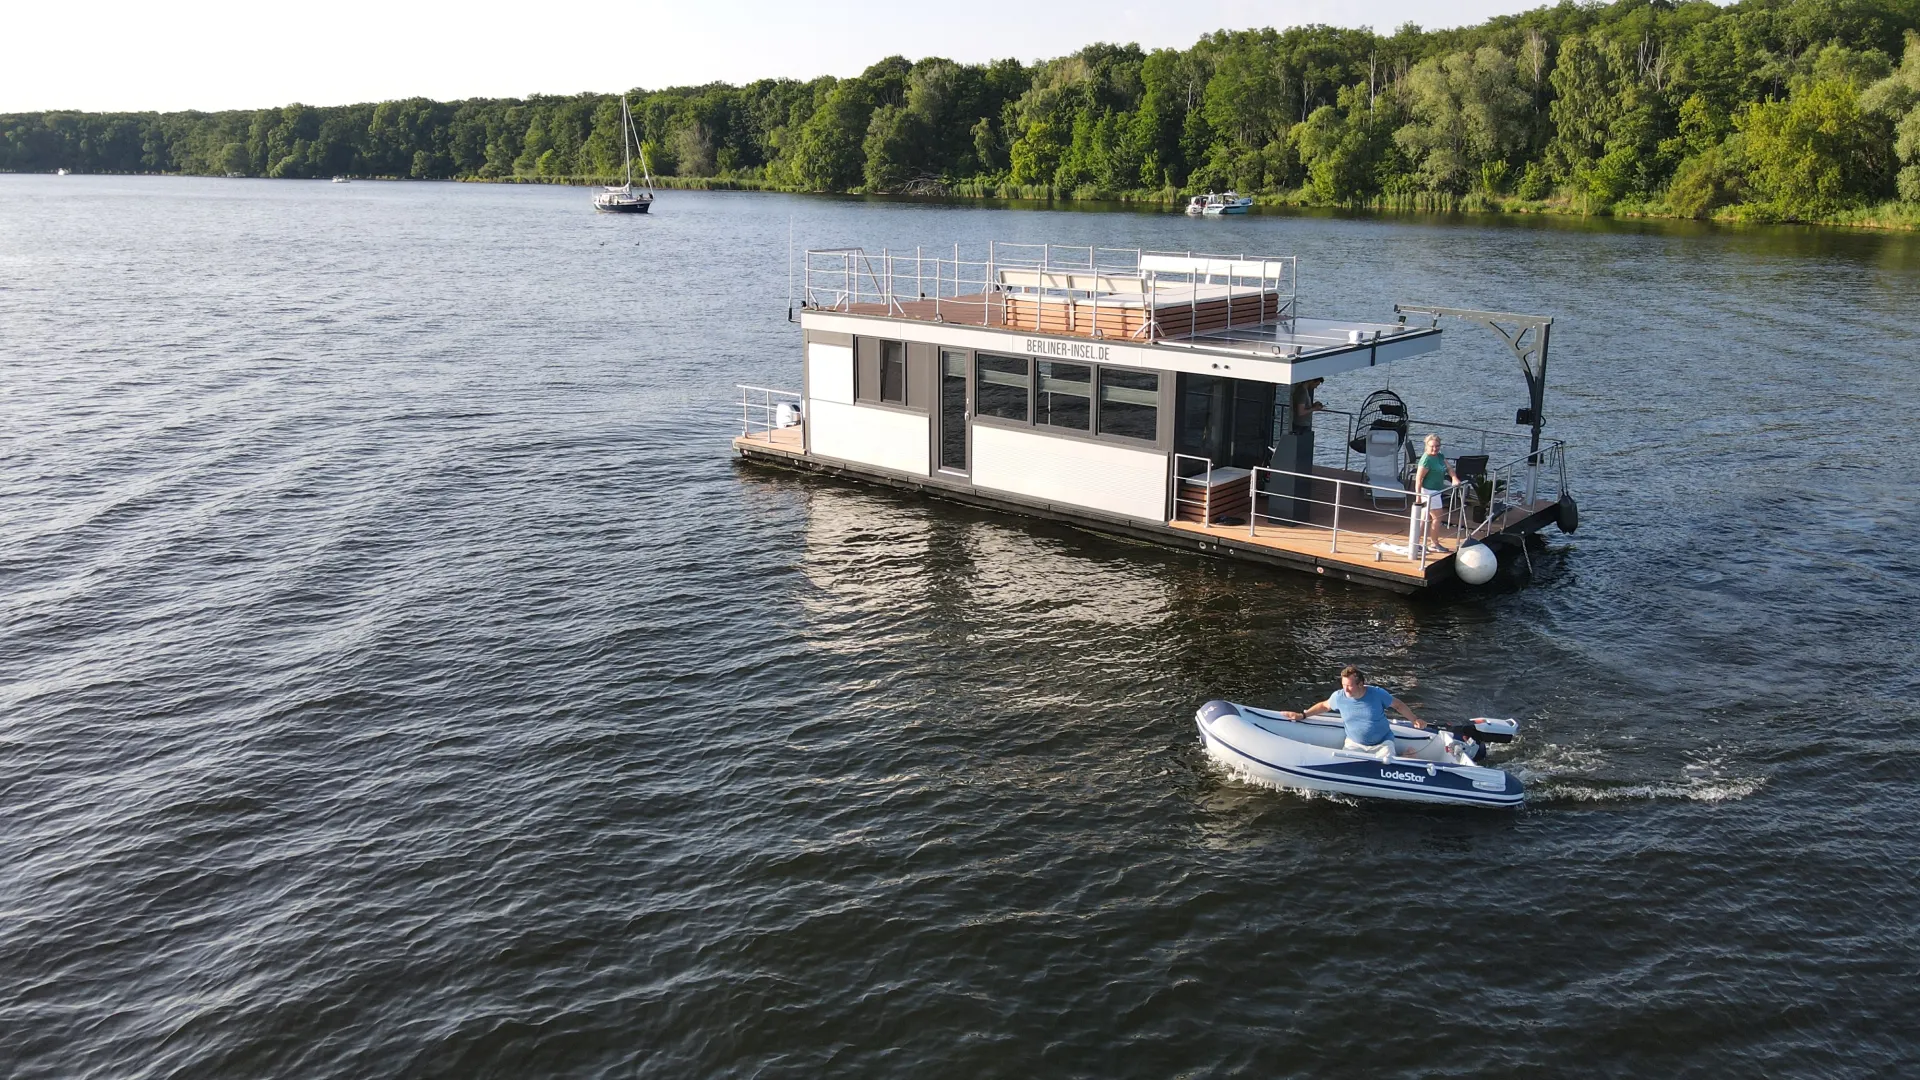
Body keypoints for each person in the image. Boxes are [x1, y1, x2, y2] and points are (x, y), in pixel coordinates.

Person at [1280, 665, 1428, 759]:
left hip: (1382, 742)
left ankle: (1405, 756)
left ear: (1361, 684)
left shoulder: (1377, 694)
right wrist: (1303, 715)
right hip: (1354, 744)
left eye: (1349, 686)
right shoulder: (1339, 696)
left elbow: (1398, 705)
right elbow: (1324, 706)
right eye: (1343, 685)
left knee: (1388, 765)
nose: (1346, 689)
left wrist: (1414, 719)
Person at [1413, 433, 1458, 554]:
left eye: (1437, 446)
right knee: (1437, 517)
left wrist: (1454, 478)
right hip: (1429, 491)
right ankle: (1434, 543)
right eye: (1432, 446)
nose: (1435, 449)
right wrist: (1418, 497)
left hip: (1436, 491)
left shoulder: (1439, 456)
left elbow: (1449, 468)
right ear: (1426, 446)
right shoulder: (1426, 460)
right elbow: (1418, 479)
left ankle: (1416, 543)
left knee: (1424, 518)